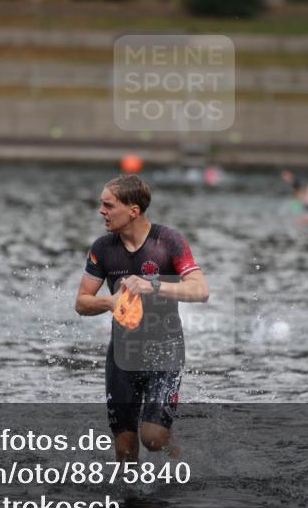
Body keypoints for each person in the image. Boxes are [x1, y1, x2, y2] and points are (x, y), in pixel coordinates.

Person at [75, 174, 209, 462]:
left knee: (152, 438)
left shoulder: (168, 242)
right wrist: (109, 301)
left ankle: (172, 445)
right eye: (102, 205)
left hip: (166, 351)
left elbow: (201, 291)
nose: (101, 211)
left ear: (133, 210)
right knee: (125, 450)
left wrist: (154, 285)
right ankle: (132, 493)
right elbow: (82, 303)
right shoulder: (102, 249)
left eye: (109, 205)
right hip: (122, 355)